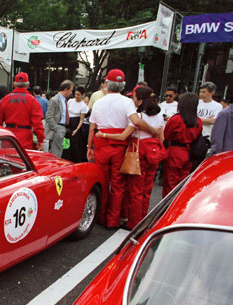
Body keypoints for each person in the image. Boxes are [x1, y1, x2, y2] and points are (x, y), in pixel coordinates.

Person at [86, 68, 158, 229]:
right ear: (123, 85)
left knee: (103, 182)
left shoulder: (98, 102)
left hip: (102, 145)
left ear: (107, 84)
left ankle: (101, 216)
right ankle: (113, 220)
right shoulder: (127, 102)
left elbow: (92, 128)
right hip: (120, 146)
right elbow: (137, 122)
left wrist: (89, 147)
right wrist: (153, 132)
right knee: (118, 186)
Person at [96, 86, 165, 229]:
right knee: (147, 190)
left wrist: (102, 135)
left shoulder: (138, 117)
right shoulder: (159, 115)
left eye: (133, 98)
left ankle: (134, 222)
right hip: (154, 151)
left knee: (135, 191)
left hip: (139, 152)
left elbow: (123, 136)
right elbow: (161, 138)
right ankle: (143, 219)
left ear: (140, 101)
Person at [162, 93, 203, 196]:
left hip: (175, 151)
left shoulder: (176, 119)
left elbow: (166, 134)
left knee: (170, 183)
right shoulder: (197, 121)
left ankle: (168, 207)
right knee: (183, 182)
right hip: (189, 153)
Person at [0, 72, 44, 150]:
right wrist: (40, 140)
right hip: (25, 137)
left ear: (14, 84)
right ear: (27, 85)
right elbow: (37, 123)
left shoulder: (5, 99)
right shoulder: (32, 100)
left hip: (9, 136)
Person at [45, 80, 74, 157]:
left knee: (56, 151)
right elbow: (49, 116)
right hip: (58, 127)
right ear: (66, 89)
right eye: (71, 90)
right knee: (56, 152)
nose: (71, 92)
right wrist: (56, 128)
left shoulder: (64, 100)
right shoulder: (55, 100)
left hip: (61, 127)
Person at [64, 86, 90, 162]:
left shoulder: (83, 106)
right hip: (68, 124)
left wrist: (77, 129)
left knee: (75, 146)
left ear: (82, 95)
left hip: (76, 126)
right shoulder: (70, 101)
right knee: (66, 145)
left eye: (78, 95)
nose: (76, 96)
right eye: (75, 94)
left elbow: (81, 120)